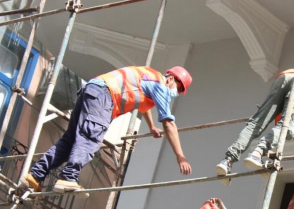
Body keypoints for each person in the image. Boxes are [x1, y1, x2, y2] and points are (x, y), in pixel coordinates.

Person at [21, 66, 193, 196]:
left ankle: (35, 175)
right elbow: (169, 123)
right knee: (90, 139)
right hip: (105, 96)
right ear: (171, 78)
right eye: (178, 88)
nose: (176, 92)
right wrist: (180, 155)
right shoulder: (161, 85)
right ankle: (68, 178)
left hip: (92, 91)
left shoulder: (151, 77)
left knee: (70, 141)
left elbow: (143, 105)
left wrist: (150, 126)